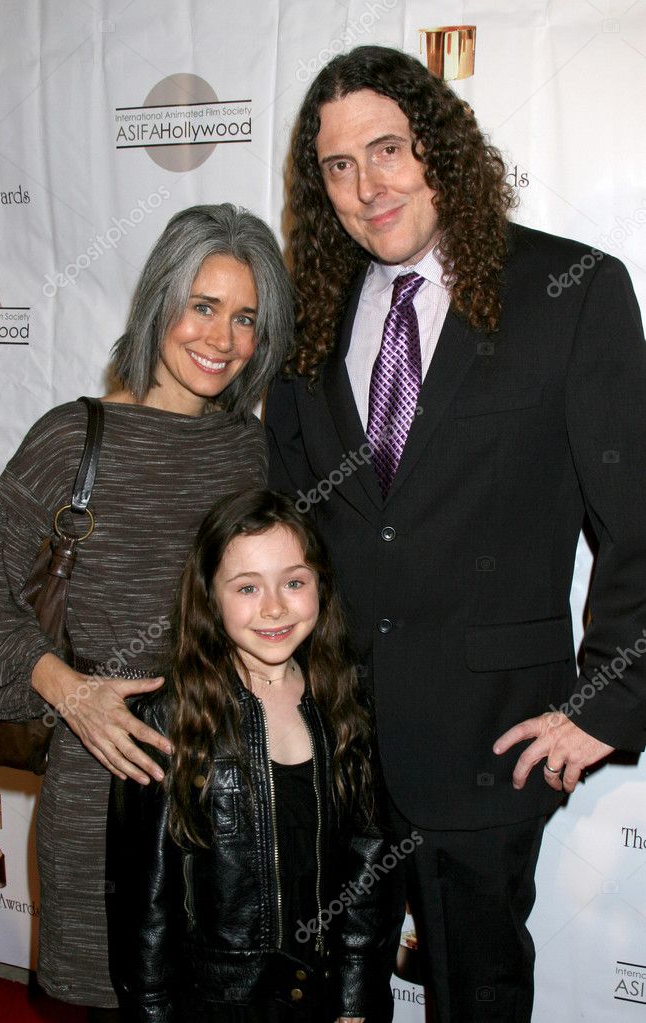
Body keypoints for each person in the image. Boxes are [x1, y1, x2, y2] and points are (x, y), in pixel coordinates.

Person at [265, 44, 646, 1022]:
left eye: (387, 150)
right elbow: (291, 523)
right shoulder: (310, 320)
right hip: (330, 743)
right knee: (325, 994)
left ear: (440, 149)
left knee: (474, 998)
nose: (366, 187)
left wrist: (608, 700)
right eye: (337, 168)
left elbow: (637, 516)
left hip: (491, 739)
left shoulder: (569, 290)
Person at [0, 204, 293, 1021]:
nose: (222, 337)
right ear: (159, 304)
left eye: (246, 317)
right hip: (103, 799)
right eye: (203, 305)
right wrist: (67, 688)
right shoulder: (75, 439)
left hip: (229, 803)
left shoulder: (249, 449)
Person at [106, 488, 400, 1023]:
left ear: (321, 587)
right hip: (218, 1005)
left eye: (294, 581)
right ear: (209, 598)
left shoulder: (346, 702)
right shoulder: (167, 719)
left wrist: (354, 1000)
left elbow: (369, 863)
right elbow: (144, 909)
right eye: (247, 587)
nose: (274, 607)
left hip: (325, 999)